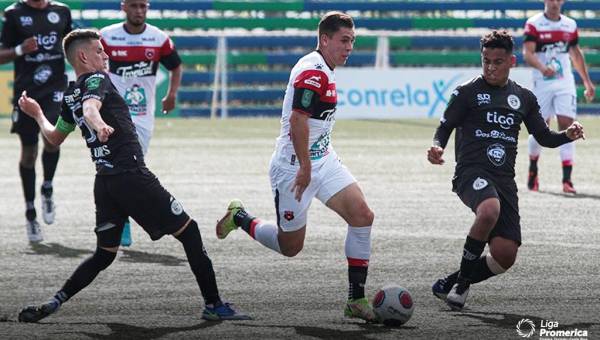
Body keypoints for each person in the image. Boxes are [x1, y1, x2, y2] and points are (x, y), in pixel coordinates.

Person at [16, 29, 248, 322]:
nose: (106, 54)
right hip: (132, 177)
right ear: (84, 56)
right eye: (100, 51)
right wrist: (99, 124)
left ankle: (54, 302)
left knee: (105, 254)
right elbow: (91, 108)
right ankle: (214, 305)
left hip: (105, 183)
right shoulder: (96, 80)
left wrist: (37, 113)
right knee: (190, 232)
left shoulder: (70, 93)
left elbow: (54, 138)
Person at [215, 12, 377, 323]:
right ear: (324, 39)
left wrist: (314, 162)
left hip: (323, 160)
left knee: (362, 216)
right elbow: (297, 120)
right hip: (293, 168)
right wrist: (305, 167)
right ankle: (240, 217)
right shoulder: (312, 72)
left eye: (352, 41)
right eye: (344, 40)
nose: (349, 47)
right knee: (290, 247)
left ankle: (356, 299)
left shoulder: (325, 69)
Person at [427, 30, 585, 311]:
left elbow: (545, 137)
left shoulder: (523, 98)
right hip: (470, 172)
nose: (489, 67)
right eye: (485, 60)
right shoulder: (467, 92)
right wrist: (437, 146)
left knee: (504, 256)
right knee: (488, 210)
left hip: (504, 180)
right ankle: (462, 287)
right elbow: (445, 125)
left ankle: (449, 282)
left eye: (497, 62)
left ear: (511, 61)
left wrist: (567, 136)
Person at [100, 0, 182, 247]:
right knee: (125, 169)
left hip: (144, 116)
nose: (139, 11)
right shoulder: (107, 37)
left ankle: (121, 219)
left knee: (131, 170)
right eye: (134, 6)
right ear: (124, 7)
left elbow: (176, 66)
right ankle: (124, 222)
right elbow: (92, 65)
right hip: (115, 113)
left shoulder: (158, 38)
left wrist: (172, 94)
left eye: (143, 6)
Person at [0, 0, 72, 242]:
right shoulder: (13, 13)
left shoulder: (61, 11)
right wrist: (20, 50)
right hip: (27, 90)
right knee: (29, 153)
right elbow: (1, 54)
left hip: (55, 88)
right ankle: (31, 213)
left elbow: (71, 45)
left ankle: (47, 188)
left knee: (53, 140)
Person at [523, 0, 595, 194]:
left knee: (567, 125)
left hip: (565, 83)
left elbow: (575, 53)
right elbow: (527, 53)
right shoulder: (534, 23)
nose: (554, 2)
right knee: (540, 128)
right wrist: (542, 67)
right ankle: (533, 168)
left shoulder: (570, 24)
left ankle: (567, 179)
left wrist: (587, 82)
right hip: (542, 83)